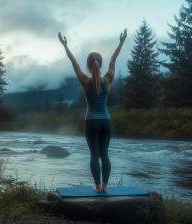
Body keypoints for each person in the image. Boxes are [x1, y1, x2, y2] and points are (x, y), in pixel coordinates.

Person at [58, 28, 127, 193]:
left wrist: (65, 46)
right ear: (100, 64)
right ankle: (105, 187)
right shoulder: (108, 79)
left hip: (91, 121)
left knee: (94, 155)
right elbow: (113, 58)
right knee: (105, 154)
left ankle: (97, 186)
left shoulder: (84, 81)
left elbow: (73, 62)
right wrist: (121, 42)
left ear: (88, 66)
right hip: (106, 121)